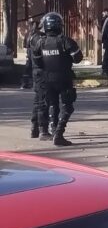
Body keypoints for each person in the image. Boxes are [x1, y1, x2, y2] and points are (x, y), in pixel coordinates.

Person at [32, 12, 83, 147]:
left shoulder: (40, 42)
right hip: (64, 78)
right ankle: (59, 134)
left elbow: (37, 62)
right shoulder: (65, 41)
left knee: (53, 105)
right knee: (68, 106)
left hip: (47, 79)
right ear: (59, 26)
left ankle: (54, 129)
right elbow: (78, 58)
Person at [20, 19, 37, 89]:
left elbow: (25, 46)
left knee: (29, 69)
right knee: (29, 69)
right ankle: (27, 83)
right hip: (32, 53)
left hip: (31, 54)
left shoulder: (30, 34)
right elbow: (25, 45)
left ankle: (28, 84)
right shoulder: (30, 34)